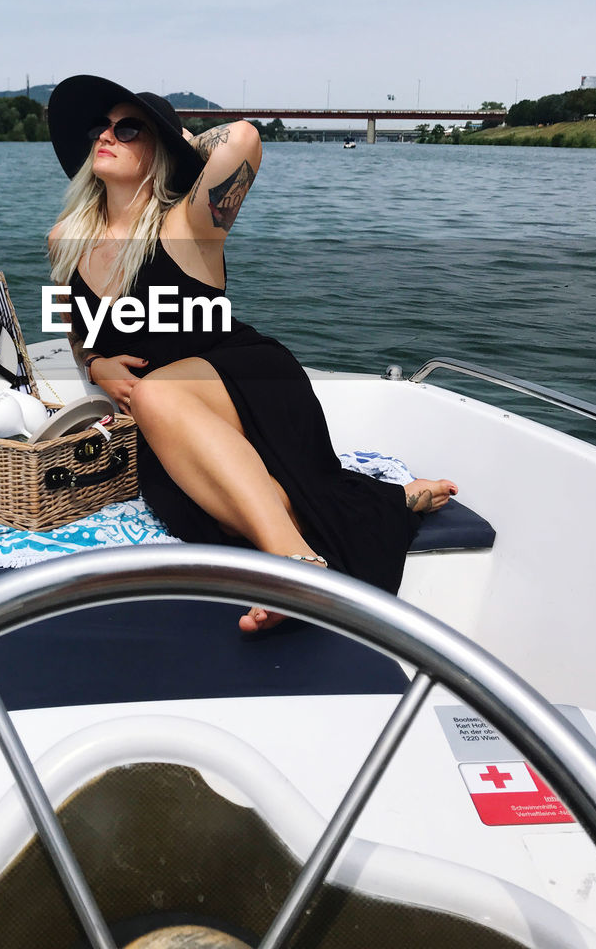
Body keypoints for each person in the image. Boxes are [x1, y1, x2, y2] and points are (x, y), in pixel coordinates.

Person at [46, 75, 457, 632]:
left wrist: (183, 144)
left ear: (161, 153)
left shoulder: (187, 224)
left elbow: (242, 138)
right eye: (101, 128)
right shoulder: (65, 237)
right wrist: (95, 364)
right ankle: (383, 506)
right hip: (173, 422)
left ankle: (292, 566)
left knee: (155, 394)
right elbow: (76, 331)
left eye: (129, 128)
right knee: (189, 511)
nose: (106, 136)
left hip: (249, 383)